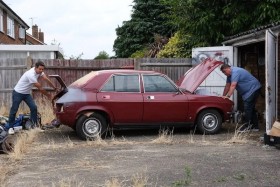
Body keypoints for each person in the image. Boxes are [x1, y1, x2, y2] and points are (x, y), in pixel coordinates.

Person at [7, 61, 56, 135]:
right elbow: (40, 88)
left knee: (33, 108)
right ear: (35, 68)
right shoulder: (30, 74)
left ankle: (34, 126)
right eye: (40, 69)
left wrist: (54, 87)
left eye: (42, 69)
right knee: (14, 109)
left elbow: (46, 79)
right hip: (18, 93)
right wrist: (49, 96)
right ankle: (10, 128)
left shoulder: (39, 71)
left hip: (26, 94)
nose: (41, 71)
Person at [220, 64, 261, 131]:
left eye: (224, 71)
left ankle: (247, 126)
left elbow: (233, 85)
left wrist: (227, 96)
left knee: (247, 108)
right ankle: (255, 127)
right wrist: (223, 96)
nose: (224, 74)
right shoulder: (229, 76)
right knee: (251, 108)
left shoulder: (235, 72)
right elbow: (227, 86)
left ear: (228, 68)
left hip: (253, 89)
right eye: (223, 73)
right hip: (250, 91)